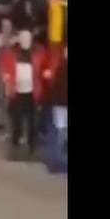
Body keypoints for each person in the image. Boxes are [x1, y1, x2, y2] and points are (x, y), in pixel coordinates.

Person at [0, 28, 48, 155]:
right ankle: (16, 143)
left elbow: (44, 66)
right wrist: (7, 79)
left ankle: (32, 146)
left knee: (33, 121)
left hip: (33, 93)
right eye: (23, 38)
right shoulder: (11, 53)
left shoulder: (38, 52)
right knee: (16, 120)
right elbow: (4, 63)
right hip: (16, 92)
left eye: (28, 38)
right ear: (19, 40)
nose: (26, 41)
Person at [45, 43, 68, 173]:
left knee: (61, 132)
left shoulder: (59, 66)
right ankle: (55, 162)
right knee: (61, 132)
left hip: (60, 103)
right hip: (60, 104)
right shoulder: (60, 67)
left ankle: (56, 162)